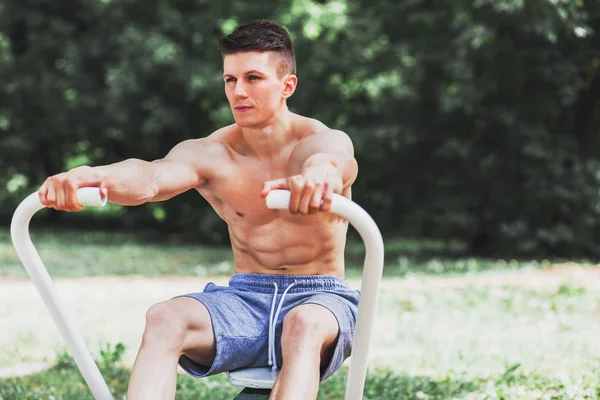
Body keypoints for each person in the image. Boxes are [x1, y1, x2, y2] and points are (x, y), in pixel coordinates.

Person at [38, 19, 359, 400]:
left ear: (287, 86)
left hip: (320, 299)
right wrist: (90, 175)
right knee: (164, 318)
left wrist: (317, 179)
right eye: (230, 79)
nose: (238, 91)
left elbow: (331, 163)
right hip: (247, 298)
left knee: (302, 324)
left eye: (253, 78)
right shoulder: (213, 153)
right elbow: (151, 177)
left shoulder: (321, 142)